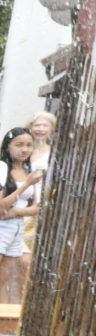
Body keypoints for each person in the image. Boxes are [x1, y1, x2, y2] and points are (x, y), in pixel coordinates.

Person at [0, 126, 38, 308]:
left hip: (18, 226)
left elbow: (36, 207)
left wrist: (16, 212)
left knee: (4, 279)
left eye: (29, 145)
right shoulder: (2, 168)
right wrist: (25, 186)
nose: (24, 150)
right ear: (8, 146)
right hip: (2, 226)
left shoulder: (30, 169)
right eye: (19, 145)